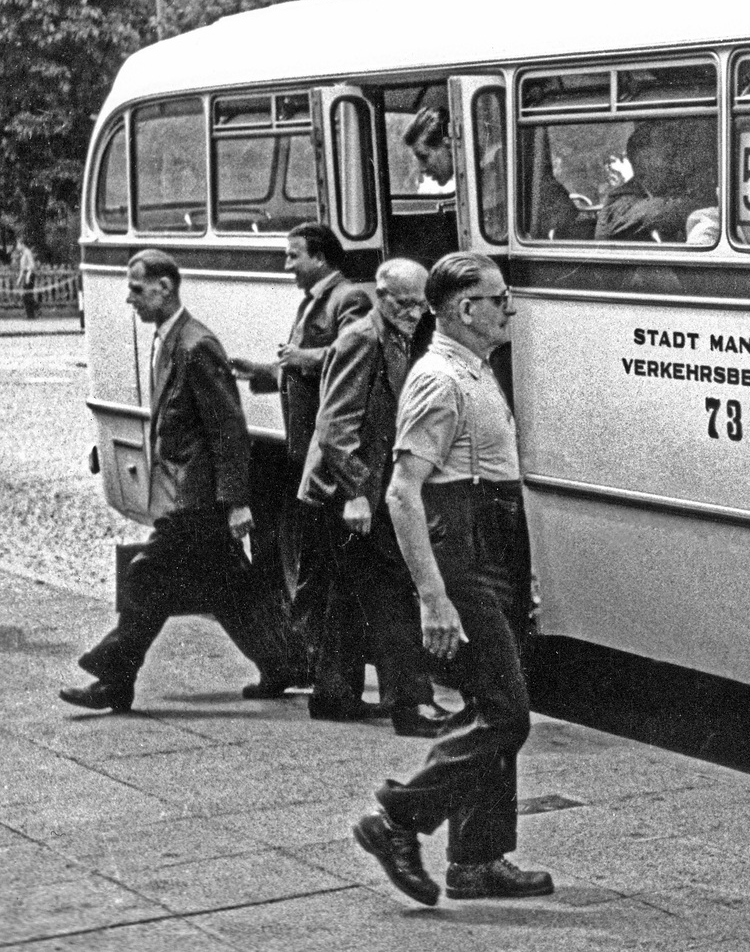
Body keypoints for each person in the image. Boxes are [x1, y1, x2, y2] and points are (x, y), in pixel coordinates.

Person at [351, 252, 552, 906]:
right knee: (506, 715)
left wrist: (521, 572)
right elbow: (403, 493)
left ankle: (477, 858)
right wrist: (434, 597)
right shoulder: (439, 379)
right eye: (499, 299)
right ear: (467, 310)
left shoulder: (472, 368)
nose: (509, 308)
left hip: (491, 544)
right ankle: (398, 817)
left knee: (489, 704)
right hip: (463, 553)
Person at [59, 251, 299, 712]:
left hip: (198, 494)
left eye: (136, 288)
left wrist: (235, 500)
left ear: (165, 288)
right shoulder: (170, 339)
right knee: (229, 586)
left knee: (146, 575)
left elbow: (228, 428)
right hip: (186, 488)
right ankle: (284, 662)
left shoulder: (195, 345)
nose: (128, 297)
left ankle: (113, 676)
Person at [299, 258, 454, 737]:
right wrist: (356, 494)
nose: (413, 312)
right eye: (403, 303)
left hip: (363, 487)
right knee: (389, 591)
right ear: (380, 297)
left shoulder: (402, 335)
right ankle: (412, 705)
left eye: (420, 303)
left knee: (348, 593)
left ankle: (333, 696)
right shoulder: (362, 339)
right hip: (349, 492)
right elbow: (334, 427)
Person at [231, 223, 372, 699]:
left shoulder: (348, 299)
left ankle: (329, 681)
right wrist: (266, 372)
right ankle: (322, 676)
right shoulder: (313, 300)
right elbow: (301, 369)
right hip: (307, 451)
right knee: (321, 571)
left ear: (322, 257)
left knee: (329, 574)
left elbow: (346, 357)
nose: (287, 265)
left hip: (327, 452)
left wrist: (299, 358)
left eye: (294, 256)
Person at [596, 117, 717, 243]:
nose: (675, 161)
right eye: (667, 153)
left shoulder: (655, 193)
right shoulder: (620, 201)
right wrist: (715, 206)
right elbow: (661, 211)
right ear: (644, 159)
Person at [15, 240, 36, 320]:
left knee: (27, 295)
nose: (17, 247)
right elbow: (22, 268)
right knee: (25, 296)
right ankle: (30, 314)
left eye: (18, 244)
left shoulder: (28, 252)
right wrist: (19, 279)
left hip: (29, 275)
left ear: (22, 244)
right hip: (26, 275)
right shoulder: (23, 253)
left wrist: (28, 275)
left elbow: (32, 265)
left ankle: (31, 315)